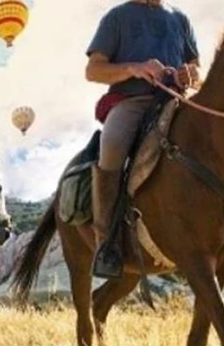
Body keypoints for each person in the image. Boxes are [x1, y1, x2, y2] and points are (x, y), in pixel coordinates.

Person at [85, 0, 201, 277]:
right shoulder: (117, 17)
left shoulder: (180, 19)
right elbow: (93, 70)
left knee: (217, 137)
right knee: (111, 145)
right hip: (133, 101)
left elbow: (196, 69)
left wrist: (192, 74)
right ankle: (107, 245)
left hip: (177, 101)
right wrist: (135, 68)